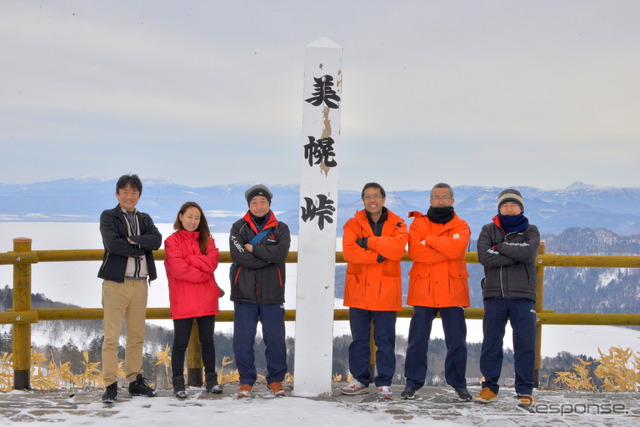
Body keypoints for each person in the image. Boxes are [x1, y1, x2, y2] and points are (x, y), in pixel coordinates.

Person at [401, 183, 473, 401]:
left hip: (453, 289)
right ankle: (412, 383)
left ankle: (458, 384)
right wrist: (447, 247)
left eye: (445, 197)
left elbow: (458, 249)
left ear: (452, 200)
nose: (441, 201)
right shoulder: (418, 223)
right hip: (424, 288)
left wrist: (430, 241)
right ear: (430, 201)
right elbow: (417, 252)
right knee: (417, 340)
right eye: (437, 197)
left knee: (457, 341)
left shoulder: (461, 224)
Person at [340, 182, 408, 398]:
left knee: (385, 339)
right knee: (359, 338)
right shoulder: (352, 223)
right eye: (368, 196)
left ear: (384, 199)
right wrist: (378, 255)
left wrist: (367, 241)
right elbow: (350, 252)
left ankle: (384, 381)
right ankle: (360, 379)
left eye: (376, 196)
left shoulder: (398, 223)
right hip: (359, 287)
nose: (372, 200)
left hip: (386, 289)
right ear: (363, 200)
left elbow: (397, 250)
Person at [98, 174, 162, 404]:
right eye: (125, 191)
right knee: (111, 337)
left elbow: (156, 241)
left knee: (136, 336)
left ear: (139, 195)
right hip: (116, 283)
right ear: (117, 194)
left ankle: (135, 381)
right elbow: (112, 244)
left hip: (140, 283)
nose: (129, 195)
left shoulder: (144, 218)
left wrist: (132, 240)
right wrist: (140, 246)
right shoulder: (109, 216)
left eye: (134, 192)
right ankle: (110, 384)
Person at [474, 189, 540, 408]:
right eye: (504, 205)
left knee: (525, 344)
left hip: (523, 296)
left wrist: (500, 247)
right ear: (499, 209)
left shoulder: (531, 230)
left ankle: (525, 390)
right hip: (494, 294)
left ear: (521, 208)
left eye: (513, 205)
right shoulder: (488, 229)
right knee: (491, 343)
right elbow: (485, 256)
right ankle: (489, 388)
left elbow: (529, 254)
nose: (509, 209)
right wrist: (515, 255)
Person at [229, 184, 291, 398]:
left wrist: (254, 249)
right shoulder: (238, 227)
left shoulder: (281, 228)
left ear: (269, 204)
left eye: (262, 201)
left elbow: (281, 253)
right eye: (254, 202)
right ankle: (246, 380)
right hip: (243, 293)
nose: (258, 205)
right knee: (242, 340)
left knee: (275, 340)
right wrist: (267, 258)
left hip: (273, 294)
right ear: (249, 205)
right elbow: (239, 257)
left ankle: (275, 380)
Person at [164, 201, 223, 398]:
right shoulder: (172, 241)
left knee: (208, 341)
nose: (193, 221)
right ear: (180, 217)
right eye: (189, 216)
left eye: (197, 218)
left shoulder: (208, 240)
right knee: (180, 343)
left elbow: (213, 261)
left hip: (206, 298)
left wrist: (190, 259)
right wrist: (202, 272)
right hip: (183, 299)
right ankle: (178, 384)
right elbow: (176, 268)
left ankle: (212, 381)